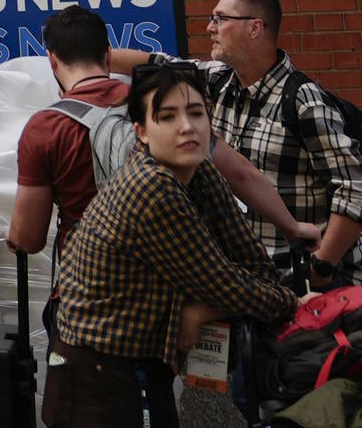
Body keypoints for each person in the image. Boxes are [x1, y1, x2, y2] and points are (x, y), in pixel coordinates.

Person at [45, 60, 303, 428]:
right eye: (166, 117)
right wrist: (295, 302)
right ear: (142, 132)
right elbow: (226, 284)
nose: (186, 127)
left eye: (196, 113)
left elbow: (252, 263)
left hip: (143, 370)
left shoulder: (196, 168)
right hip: (99, 378)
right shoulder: (151, 187)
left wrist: (201, 311)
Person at [9, 6, 317, 268]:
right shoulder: (163, 106)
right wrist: (291, 226)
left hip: (91, 286)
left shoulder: (45, 128)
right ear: (107, 54)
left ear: (52, 59)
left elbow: (28, 238)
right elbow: (241, 174)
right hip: (173, 281)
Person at [166, 0, 362, 285]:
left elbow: (356, 191)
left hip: (304, 281)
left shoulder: (304, 101)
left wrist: (320, 267)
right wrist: (99, 59)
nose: (210, 27)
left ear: (255, 28)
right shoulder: (219, 81)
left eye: (221, 18)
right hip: (249, 277)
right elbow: (157, 66)